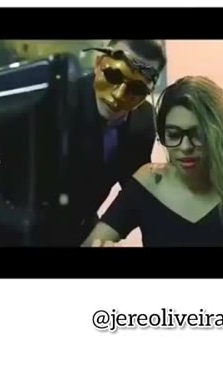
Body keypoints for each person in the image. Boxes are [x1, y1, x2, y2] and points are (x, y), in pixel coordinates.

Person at [82, 76, 223, 247]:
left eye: (197, 134)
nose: (185, 147)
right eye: (173, 134)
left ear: (218, 135)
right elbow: (92, 243)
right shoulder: (149, 182)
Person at [56, 40, 167, 246]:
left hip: (83, 229)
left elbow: (134, 193)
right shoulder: (57, 102)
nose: (118, 95)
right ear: (98, 63)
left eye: (137, 88)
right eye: (114, 76)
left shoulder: (143, 121)